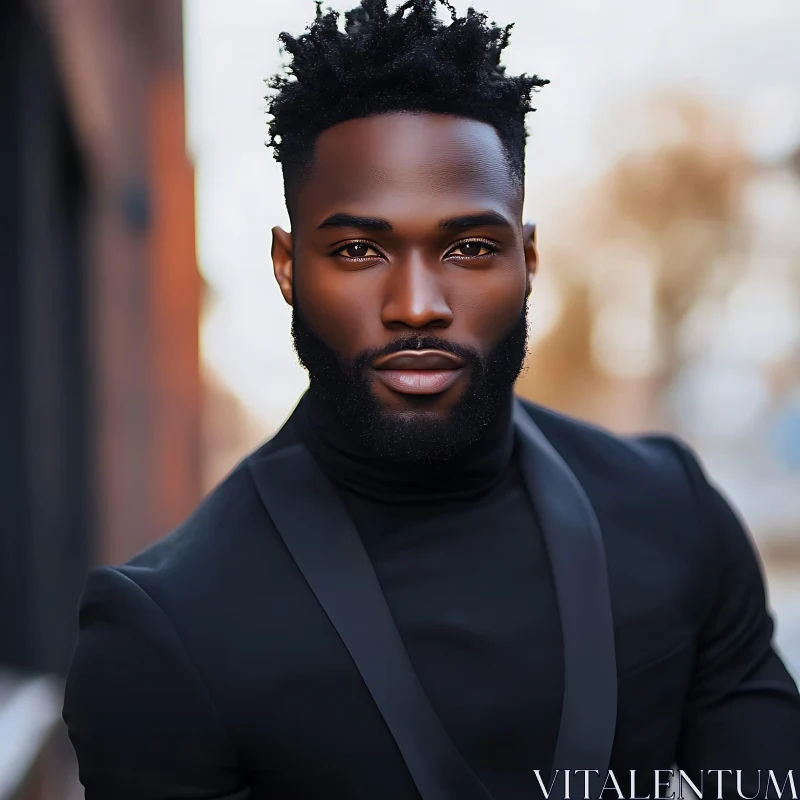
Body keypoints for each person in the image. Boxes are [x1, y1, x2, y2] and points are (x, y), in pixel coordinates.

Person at [62, 2, 800, 798]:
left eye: (470, 248)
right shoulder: (167, 629)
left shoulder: (674, 516)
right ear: (286, 265)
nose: (416, 304)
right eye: (357, 249)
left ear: (528, 258)